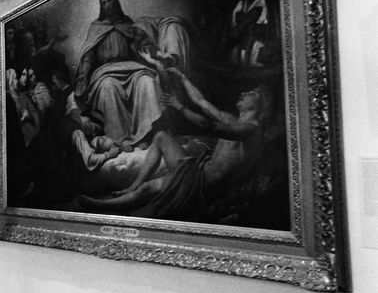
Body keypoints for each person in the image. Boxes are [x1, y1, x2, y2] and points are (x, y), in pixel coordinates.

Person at [78, 69, 270, 220]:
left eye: (251, 92)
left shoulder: (252, 130)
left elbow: (208, 125)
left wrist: (180, 107)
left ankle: (99, 205)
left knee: (150, 195)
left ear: (261, 104)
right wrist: (183, 77)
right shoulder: (232, 119)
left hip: (203, 185)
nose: (244, 93)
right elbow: (201, 101)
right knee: (161, 137)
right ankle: (132, 186)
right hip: (197, 170)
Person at [73, 0, 164, 147]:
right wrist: (83, 75)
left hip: (129, 67)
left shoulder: (127, 23)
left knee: (146, 81)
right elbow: (88, 54)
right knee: (108, 87)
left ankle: (144, 135)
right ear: (101, 6)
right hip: (106, 71)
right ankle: (119, 140)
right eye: (104, 3)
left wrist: (145, 53)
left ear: (116, 1)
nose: (107, 5)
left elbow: (136, 47)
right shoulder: (97, 27)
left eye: (110, 0)